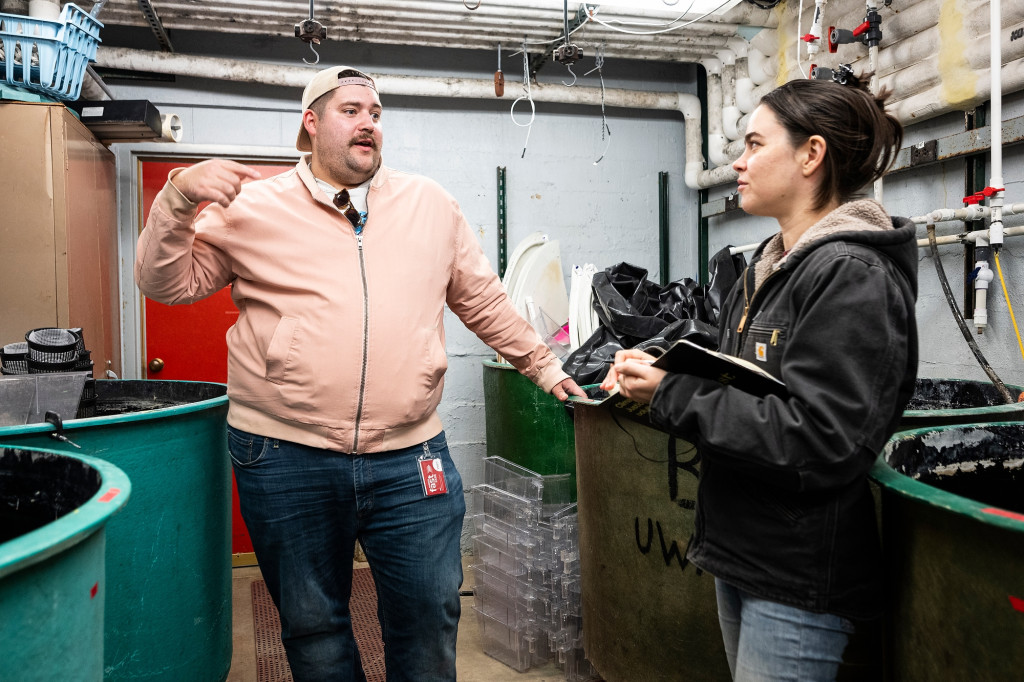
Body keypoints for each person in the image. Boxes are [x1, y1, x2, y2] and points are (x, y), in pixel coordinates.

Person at [135, 65, 584, 682]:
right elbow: (166, 283)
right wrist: (180, 195)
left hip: (409, 456)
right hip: (284, 453)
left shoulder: (429, 204)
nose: (367, 121)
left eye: (375, 111)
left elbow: (481, 301)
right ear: (311, 124)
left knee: (429, 612)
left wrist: (542, 364)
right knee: (313, 625)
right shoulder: (253, 208)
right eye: (350, 110)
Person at [603, 75, 917, 681]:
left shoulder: (851, 273)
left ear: (811, 154)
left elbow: (823, 439)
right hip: (744, 549)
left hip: (795, 572)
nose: (738, 164)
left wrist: (671, 394)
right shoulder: (769, 268)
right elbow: (745, 386)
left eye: (753, 145)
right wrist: (665, 365)